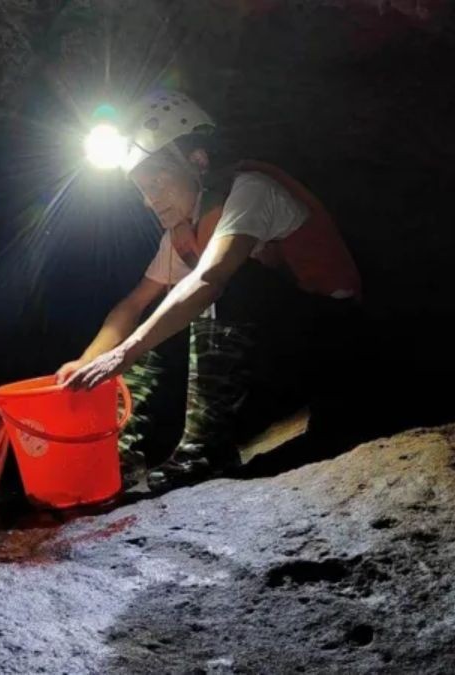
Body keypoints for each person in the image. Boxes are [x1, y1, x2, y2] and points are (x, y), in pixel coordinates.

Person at [58, 89, 363, 493]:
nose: (148, 200)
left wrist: (123, 353)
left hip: (333, 341)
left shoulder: (251, 190)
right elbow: (134, 304)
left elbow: (210, 280)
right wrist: (87, 363)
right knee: (156, 318)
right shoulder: (186, 228)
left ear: (198, 161)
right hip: (276, 354)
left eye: (156, 181)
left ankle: (205, 449)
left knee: (215, 287)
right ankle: (121, 453)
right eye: (141, 189)